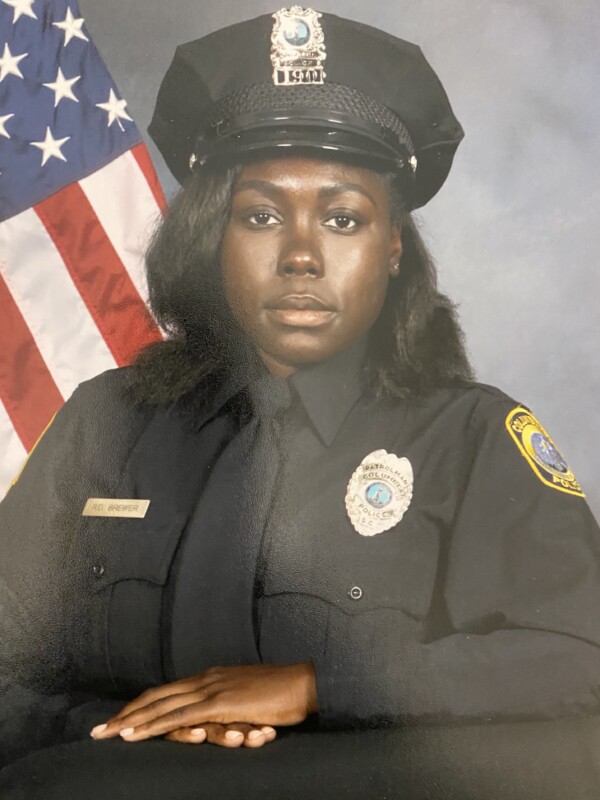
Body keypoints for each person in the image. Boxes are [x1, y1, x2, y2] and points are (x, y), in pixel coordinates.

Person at [2, 6, 600, 794]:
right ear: (215, 237)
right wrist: (118, 733)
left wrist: (317, 686)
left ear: (392, 249)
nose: (303, 256)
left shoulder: (473, 439)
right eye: (260, 216)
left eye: (343, 218)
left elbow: (576, 652)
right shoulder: (103, 424)